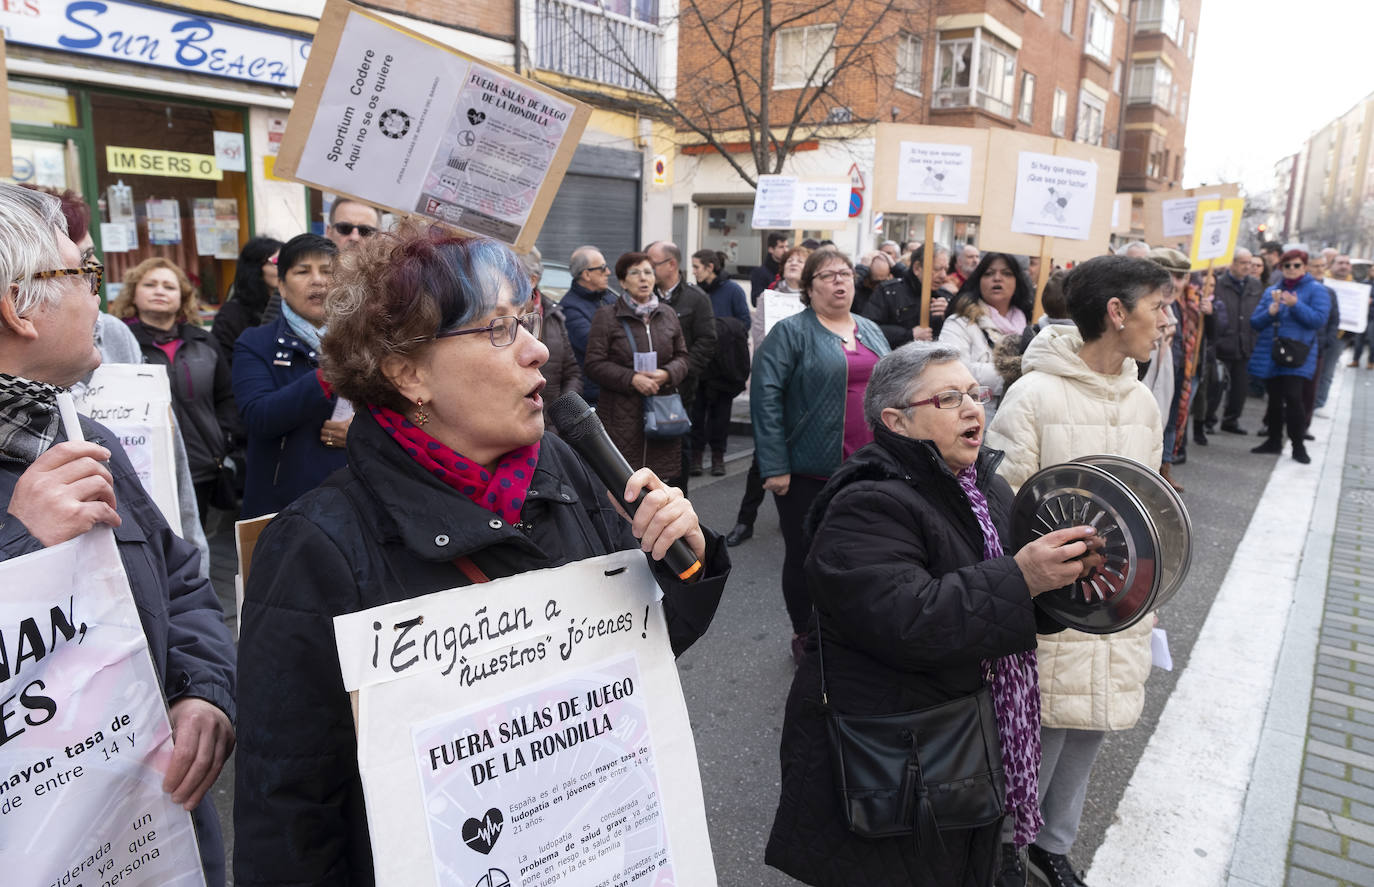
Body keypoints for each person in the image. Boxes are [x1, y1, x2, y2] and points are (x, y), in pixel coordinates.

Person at [233, 224, 728, 886]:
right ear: (407, 372)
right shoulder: (317, 545)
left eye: (526, 320)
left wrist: (682, 557)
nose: (537, 351)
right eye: (498, 329)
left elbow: (637, 654)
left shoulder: (563, 464)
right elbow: (289, 815)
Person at [765, 342, 1095, 887]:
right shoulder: (867, 502)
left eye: (974, 393)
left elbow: (1011, 602)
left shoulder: (984, 485)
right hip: (895, 752)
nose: (973, 408)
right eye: (948, 397)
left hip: (958, 737)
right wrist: (1023, 578)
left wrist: (1065, 578)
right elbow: (909, 620)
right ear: (896, 421)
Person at [0, 183, 235, 885]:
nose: (97, 296)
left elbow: (183, 581)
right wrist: (21, 548)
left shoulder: (83, 436)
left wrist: (203, 689)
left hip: (152, 837)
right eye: (82, 273)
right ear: (18, 306)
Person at [985, 255, 1172, 887]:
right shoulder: (1034, 394)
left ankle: (1052, 845)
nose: (1165, 321)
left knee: (1094, 721)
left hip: (1120, 598)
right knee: (1041, 729)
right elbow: (1003, 507)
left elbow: (1149, 505)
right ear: (1116, 313)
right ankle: (1010, 845)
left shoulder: (1143, 399)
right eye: (1158, 307)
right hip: (1053, 597)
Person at [751, 247, 889, 662]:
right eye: (827, 276)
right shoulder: (791, 332)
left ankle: (851, 627)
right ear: (808, 288)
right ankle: (806, 632)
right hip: (808, 471)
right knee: (807, 555)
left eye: (845, 273)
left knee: (863, 552)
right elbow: (766, 397)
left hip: (869, 467)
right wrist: (774, 465)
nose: (839, 281)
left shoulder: (869, 328)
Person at [110, 258, 240, 525]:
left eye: (169, 286)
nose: (160, 291)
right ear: (134, 293)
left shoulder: (204, 340)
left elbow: (226, 397)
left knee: (195, 540)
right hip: (142, 468)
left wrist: (223, 440)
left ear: (182, 297)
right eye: (150, 284)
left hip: (200, 465)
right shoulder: (120, 342)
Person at [232, 233, 348, 517]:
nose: (318, 280)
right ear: (282, 286)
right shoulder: (255, 343)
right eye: (303, 271)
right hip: (285, 506)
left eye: (328, 271)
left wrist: (362, 432)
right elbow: (259, 417)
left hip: (353, 499)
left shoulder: (364, 341)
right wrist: (328, 373)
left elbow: (409, 413)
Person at [725, 244, 811, 547]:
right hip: (776, 382)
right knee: (762, 457)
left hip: (806, 388)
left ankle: (799, 516)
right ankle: (745, 521)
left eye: (801, 260)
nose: (794, 264)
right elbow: (759, 340)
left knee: (802, 454)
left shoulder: (816, 300)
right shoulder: (768, 298)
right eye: (790, 260)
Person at [584, 252, 692, 484]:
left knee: (662, 485)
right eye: (635, 273)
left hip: (662, 410)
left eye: (648, 272)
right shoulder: (607, 316)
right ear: (623, 282)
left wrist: (667, 374)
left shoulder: (668, 314)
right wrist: (631, 379)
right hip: (621, 416)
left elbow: (683, 357)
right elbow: (593, 364)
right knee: (623, 485)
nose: (643, 278)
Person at [646, 240, 717, 492]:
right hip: (642, 388)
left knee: (677, 454)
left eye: (651, 264)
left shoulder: (696, 299)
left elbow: (707, 342)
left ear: (671, 264)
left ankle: (678, 512)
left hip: (679, 392)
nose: (645, 270)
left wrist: (677, 373)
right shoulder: (643, 296)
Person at [1248, 249, 1330, 464]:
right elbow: (1255, 322)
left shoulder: (1317, 290)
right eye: (1287, 266)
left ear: (1304, 267)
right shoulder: (1272, 291)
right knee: (1274, 400)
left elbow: (1318, 320)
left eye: (1296, 265)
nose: (1291, 269)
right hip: (1272, 352)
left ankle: (1298, 446)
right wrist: (1271, 312)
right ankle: (1274, 441)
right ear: (1281, 268)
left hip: (1298, 354)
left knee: (1294, 399)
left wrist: (1296, 305)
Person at [938, 252, 1034, 418]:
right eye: (989, 273)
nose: (997, 278)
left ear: (1018, 282)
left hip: (1019, 419)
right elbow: (954, 369)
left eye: (1006, 273)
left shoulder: (1029, 326)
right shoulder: (959, 323)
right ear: (979, 282)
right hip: (975, 419)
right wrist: (1015, 372)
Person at [689, 248, 749, 476]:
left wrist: (721, 331)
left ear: (710, 267)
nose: (693, 272)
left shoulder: (732, 290)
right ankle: (695, 456)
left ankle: (718, 457)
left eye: (696, 267)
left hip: (724, 365)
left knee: (721, 414)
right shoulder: (694, 292)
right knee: (696, 412)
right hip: (701, 363)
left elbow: (744, 323)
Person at [522, 247, 581, 434]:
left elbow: (572, 373)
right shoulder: (499, 319)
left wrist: (561, 417)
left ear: (532, 280)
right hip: (514, 424)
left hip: (553, 428)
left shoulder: (554, 315)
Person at [1211, 248, 1264, 434]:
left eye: (1250, 263)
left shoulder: (1255, 285)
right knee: (1216, 385)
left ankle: (1231, 420)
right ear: (1232, 263)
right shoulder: (1219, 283)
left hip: (1245, 344)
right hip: (1223, 343)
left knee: (1240, 388)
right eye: (1243, 263)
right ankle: (1209, 420)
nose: (1247, 267)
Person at [863, 243, 952, 347]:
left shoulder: (946, 298)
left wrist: (949, 314)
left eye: (946, 269)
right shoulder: (889, 292)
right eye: (937, 269)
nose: (943, 275)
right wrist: (908, 335)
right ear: (917, 268)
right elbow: (867, 329)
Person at [211, 236, 283, 367]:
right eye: (277, 262)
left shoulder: (292, 306)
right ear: (256, 268)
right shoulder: (231, 315)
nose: (284, 269)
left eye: (288, 262)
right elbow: (225, 365)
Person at [563, 244, 616, 404]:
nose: (608, 272)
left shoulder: (610, 298)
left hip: (616, 388)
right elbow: (595, 345)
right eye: (602, 268)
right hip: (594, 395)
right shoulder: (569, 307)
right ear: (586, 274)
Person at [751, 232, 790, 306]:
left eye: (787, 246)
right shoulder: (759, 273)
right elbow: (755, 301)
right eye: (781, 247)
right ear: (771, 249)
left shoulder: (790, 270)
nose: (786, 250)